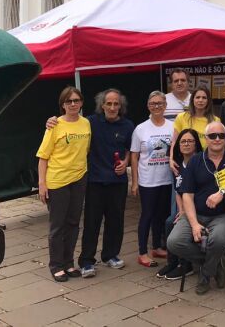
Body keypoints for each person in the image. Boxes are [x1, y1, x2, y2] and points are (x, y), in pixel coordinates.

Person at [44, 88, 134, 278]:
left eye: (116, 103)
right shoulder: (90, 122)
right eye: (108, 103)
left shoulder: (128, 125)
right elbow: (68, 123)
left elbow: (130, 150)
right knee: (91, 222)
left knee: (116, 221)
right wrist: (50, 121)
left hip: (117, 181)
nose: (112, 107)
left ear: (121, 106)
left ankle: (110, 255)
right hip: (93, 180)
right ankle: (86, 261)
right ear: (102, 105)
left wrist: (126, 163)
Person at [167, 121, 225, 295]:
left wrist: (222, 192)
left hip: (223, 215)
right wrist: (194, 224)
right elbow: (187, 195)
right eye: (212, 136)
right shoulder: (196, 160)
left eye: (221, 135)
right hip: (196, 214)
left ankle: (205, 274)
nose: (217, 139)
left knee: (219, 241)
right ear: (206, 139)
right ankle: (213, 263)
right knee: (174, 242)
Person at [36, 86, 91, 282]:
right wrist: (42, 184)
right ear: (63, 105)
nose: (73, 104)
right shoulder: (54, 126)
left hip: (79, 179)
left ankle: (68, 263)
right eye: (69, 101)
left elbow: (84, 151)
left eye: (76, 100)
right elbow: (43, 157)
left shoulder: (86, 124)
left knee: (74, 223)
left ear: (82, 102)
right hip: (57, 181)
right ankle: (56, 265)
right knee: (57, 226)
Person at [131, 91, 173, 267]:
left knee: (162, 216)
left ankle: (157, 247)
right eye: (153, 103)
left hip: (167, 179)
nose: (157, 106)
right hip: (148, 180)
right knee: (147, 215)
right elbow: (134, 156)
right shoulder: (141, 129)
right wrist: (134, 181)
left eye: (160, 103)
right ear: (148, 106)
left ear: (165, 105)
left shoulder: (172, 126)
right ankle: (142, 252)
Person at [157, 128, 203, 281]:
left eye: (190, 141)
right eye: (183, 141)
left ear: (196, 144)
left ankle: (186, 265)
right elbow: (178, 191)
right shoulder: (178, 165)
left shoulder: (201, 162)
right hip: (186, 208)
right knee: (170, 221)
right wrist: (181, 210)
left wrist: (187, 213)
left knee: (174, 223)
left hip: (200, 210)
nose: (186, 144)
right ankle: (173, 262)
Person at [173, 85, 220, 150]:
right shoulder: (181, 117)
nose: (200, 100)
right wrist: (172, 158)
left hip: (207, 158)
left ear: (208, 101)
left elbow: (218, 143)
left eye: (204, 98)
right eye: (197, 97)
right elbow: (174, 141)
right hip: (186, 158)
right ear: (192, 99)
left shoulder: (215, 120)